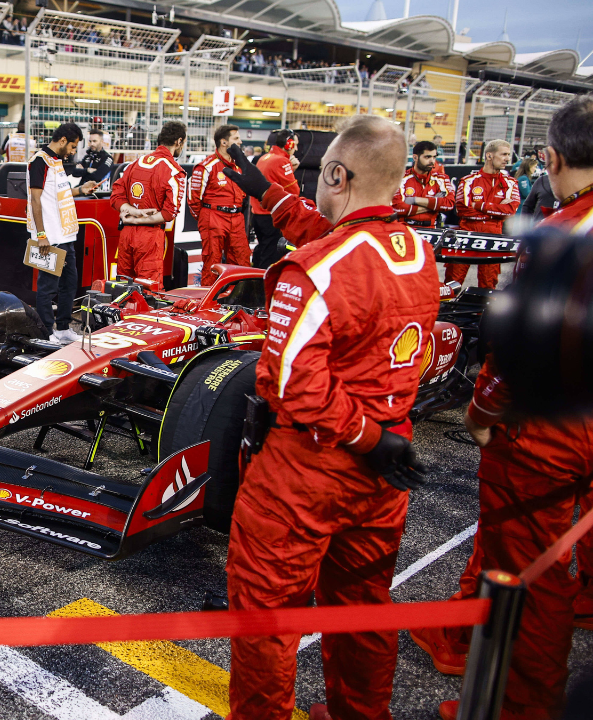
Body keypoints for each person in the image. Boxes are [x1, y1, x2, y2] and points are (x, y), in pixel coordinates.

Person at [220, 115, 440, 720]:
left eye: (322, 174)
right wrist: (265, 190)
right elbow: (338, 233)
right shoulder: (418, 251)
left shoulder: (314, 267)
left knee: (265, 618)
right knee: (362, 605)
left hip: (309, 469)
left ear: (338, 174)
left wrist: (364, 438)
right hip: (388, 465)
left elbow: (292, 384)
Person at [416, 94, 593, 720]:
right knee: (524, 546)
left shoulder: (559, 234)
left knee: (532, 571)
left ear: (550, 157)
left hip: (549, 425)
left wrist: (481, 413)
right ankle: (461, 637)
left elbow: (516, 352)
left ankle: (523, 705)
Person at [28, 122, 98, 344]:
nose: (73, 151)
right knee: (47, 288)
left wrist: (80, 190)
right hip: (49, 237)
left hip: (66, 236)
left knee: (70, 284)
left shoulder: (56, 162)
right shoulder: (39, 161)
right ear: (62, 141)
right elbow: (35, 199)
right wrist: (41, 235)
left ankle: (64, 328)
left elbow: (59, 193)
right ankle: (46, 331)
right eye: (73, 146)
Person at [109, 121, 188, 287]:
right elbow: (169, 213)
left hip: (126, 234)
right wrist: (139, 218)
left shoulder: (136, 163)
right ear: (178, 141)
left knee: (123, 287)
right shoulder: (174, 171)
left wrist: (132, 213)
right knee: (148, 290)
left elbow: (115, 196)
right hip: (150, 237)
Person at [450, 139, 520, 289]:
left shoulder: (511, 183)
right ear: (489, 156)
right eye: (504, 154)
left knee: (488, 284)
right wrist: (496, 210)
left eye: (508, 155)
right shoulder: (468, 181)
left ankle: (481, 313)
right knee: (453, 282)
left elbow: (510, 210)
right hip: (467, 234)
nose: (507, 159)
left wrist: (479, 206)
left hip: (493, 236)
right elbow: (462, 210)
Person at [188, 124, 250, 286]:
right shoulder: (207, 166)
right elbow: (193, 199)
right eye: (236, 138)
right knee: (212, 263)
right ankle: (208, 303)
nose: (241, 141)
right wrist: (205, 219)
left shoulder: (239, 166)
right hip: (213, 218)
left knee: (242, 261)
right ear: (224, 142)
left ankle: (239, 300)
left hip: (237, 218)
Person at [249, 129, 300, 268]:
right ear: (288, 144)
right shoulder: (282, 161)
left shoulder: (264, 158)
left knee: (262, 250)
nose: (296, 148)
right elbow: (294, 191)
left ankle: (254, 283)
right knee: (271, 256)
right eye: (295, 144)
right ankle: (263, 287)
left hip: (258, 214)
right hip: (271, 216)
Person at [393, 140, 455, 229]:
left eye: (434, 157)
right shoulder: (401, 178)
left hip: (431, 229)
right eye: (427, 157)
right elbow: (398, 208)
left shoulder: (441, 178)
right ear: (415, 157)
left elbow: (449, 204)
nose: (432, 161)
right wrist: (434, 204)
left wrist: (414, 200)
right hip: (405, 228)